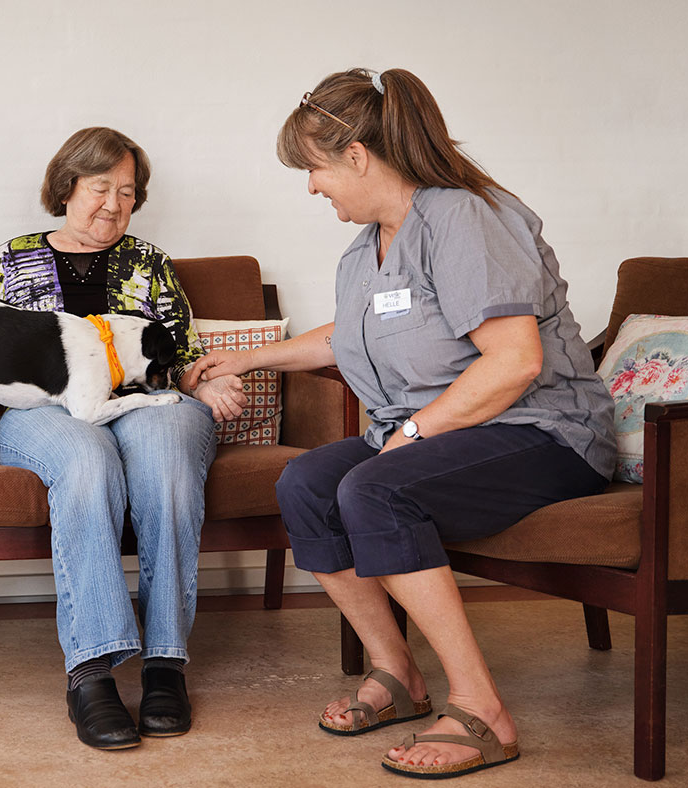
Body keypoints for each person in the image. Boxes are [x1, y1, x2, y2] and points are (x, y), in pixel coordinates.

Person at [186, 69, 614, 779]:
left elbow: (513, 362)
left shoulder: (464, 218)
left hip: (540, 431)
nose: (313, 188)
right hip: (448, 431)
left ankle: (484, 711)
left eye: (316, 170)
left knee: (375, 489)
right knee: (305, 484)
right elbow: (344, 336)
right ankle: (399, 676)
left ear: (358, 156)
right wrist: (245, 357)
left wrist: (410, 437)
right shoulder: (367, 248)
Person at [0, 127, 246, 750]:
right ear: (67, 187)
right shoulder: (15, 255)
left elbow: (183, 357)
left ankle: (165, 662)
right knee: (87, 457)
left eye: (127, 192)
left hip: (147, 405)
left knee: (168, 448)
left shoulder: (150, 264)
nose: (113, 204)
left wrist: (209, 384)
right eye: (99, 188)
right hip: (40, 412)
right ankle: (91, 670)